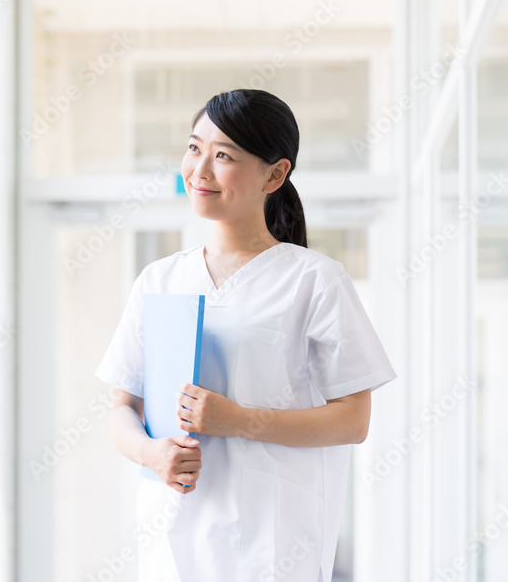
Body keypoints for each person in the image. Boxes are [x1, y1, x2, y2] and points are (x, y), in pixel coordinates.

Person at [94, 89, 397, 581]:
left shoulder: (314, 280)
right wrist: (152, 453)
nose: (201, 171)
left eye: (224, 156)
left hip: (273, 541)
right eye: (195, 149)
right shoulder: (159, 279)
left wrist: (239, 420)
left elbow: (352, 421)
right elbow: (121, 407)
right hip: (172, 535)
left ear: (275, 175)